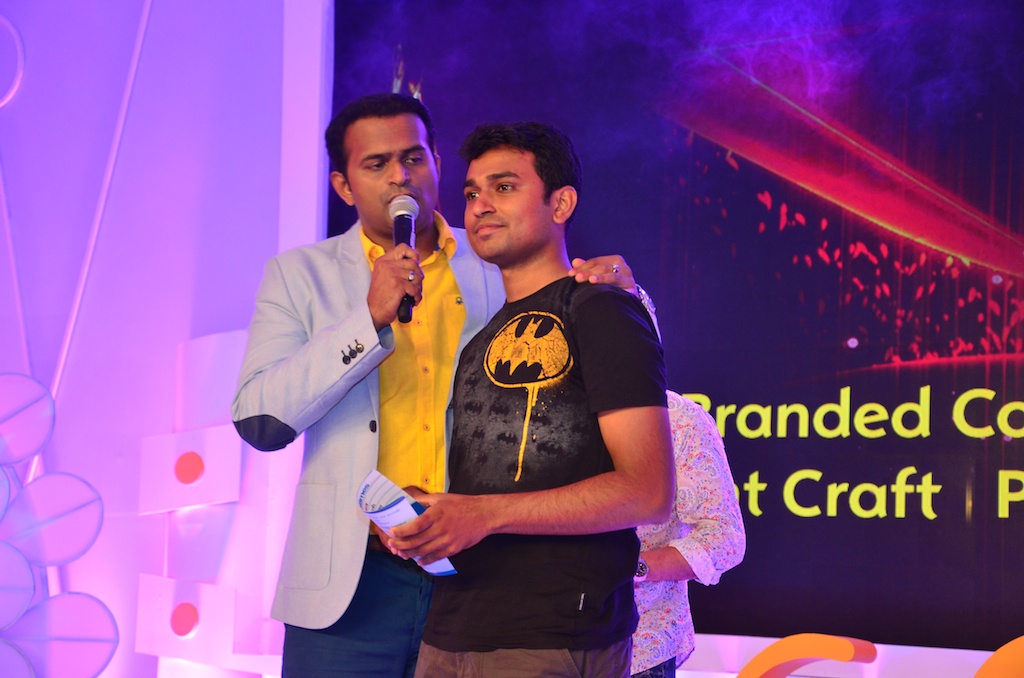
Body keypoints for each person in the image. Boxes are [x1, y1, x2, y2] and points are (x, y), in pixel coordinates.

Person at [231, 93, 651, 677]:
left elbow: (600, 352)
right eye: (376, 164)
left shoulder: (498, 257)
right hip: (351, 581)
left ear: (435, 161)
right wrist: (368, 319)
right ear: (344, 186)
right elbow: (259, 420)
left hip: (482, 572)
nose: (400, 176)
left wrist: (630, 297)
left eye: (413, 157)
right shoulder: (300, 276)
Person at [387, 121, 674, 678]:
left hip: (552, 636)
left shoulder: (601, 308)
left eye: (504, 187)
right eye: (471, 192)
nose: (480, 206)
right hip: (451, 629)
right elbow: (489, 489)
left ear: (560, 203)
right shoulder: (480, 341)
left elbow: (648, 491)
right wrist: (426, 513)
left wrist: (484, 515)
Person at [630, 391, 746, 678]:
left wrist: (631, 567)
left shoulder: (678, 416)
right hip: (529, 638)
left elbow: (724, 538)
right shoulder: (530, 409)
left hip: (637, 648)